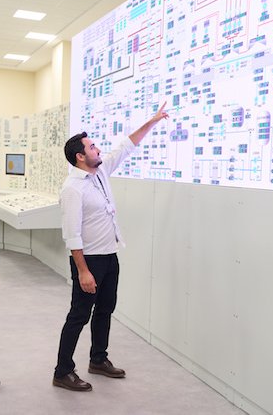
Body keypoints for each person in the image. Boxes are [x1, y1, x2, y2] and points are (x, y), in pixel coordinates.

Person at [53, 103, 169, 391]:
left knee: (105, 310)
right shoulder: (72, 189)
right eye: (92, 147)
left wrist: (152, 121)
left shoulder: (100, 172)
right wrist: (83, 271)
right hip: (89, 261)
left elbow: (126, 145)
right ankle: (62, 371)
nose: (98, 150)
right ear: (80, 156)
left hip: (109, 256)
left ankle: (98, 359)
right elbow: (72, 235)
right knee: (79, 315)